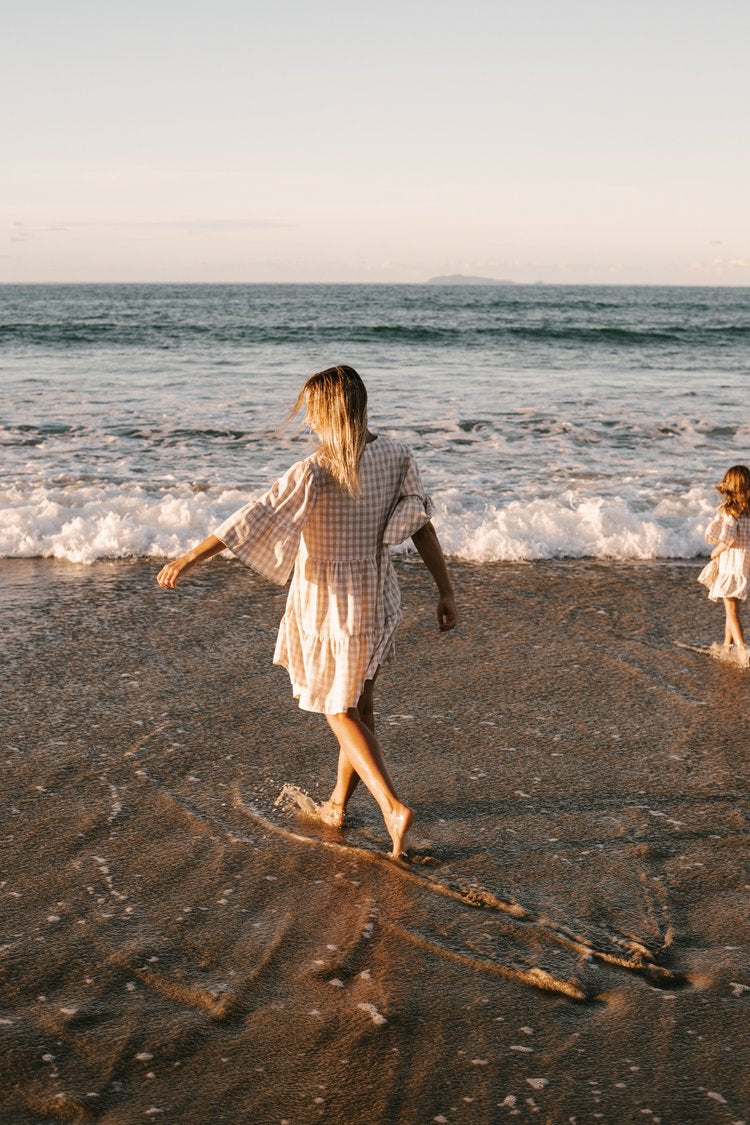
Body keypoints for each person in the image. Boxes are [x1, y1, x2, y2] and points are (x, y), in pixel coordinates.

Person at [156, 365, 457, 856]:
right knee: (360, 706)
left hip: (329, 602)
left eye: (312, 411)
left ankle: (391, 807)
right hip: (378, 593)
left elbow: (254, 518)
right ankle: (338, 804)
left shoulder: (315, 469)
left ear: (325, 412)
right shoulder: (397, 455)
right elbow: (422, 526)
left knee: (336, 709)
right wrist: (446, 592)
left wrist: (188, 558)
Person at [698, 464, 750, 664]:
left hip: (732, 566)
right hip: (745, 565)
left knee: (731, 608)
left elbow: (728, 539)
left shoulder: (731, 511)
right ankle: (726, 646)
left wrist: (715, 552)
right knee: (732, 607)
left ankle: (742, 649)